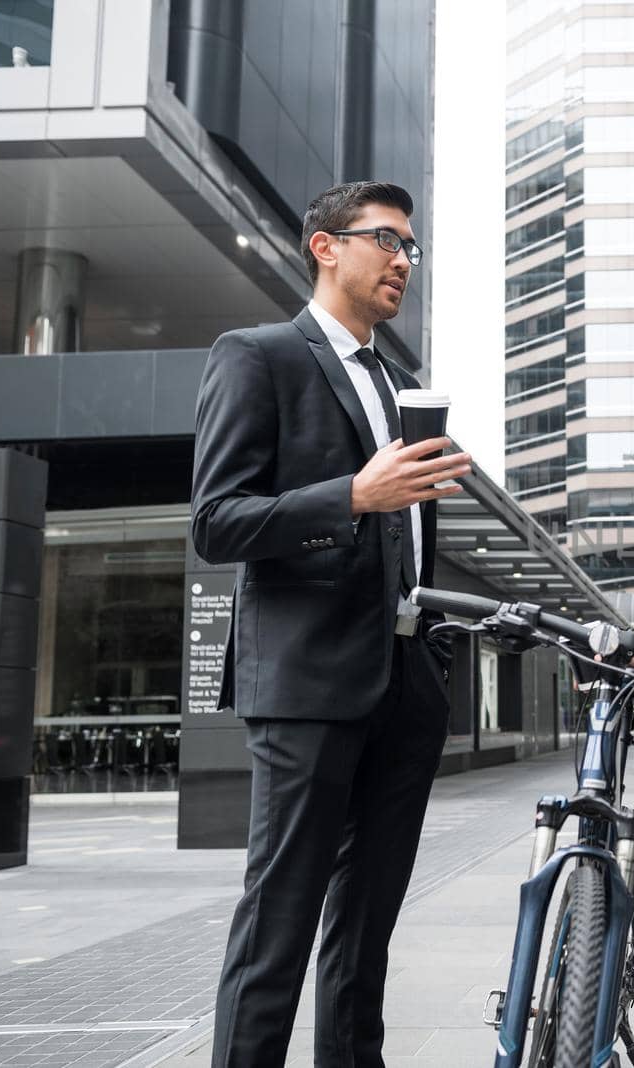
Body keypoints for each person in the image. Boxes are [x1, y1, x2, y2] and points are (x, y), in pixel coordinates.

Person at [191, 180, 473, 1066]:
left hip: (403, 684)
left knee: (365, 937)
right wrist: (353, 495)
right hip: (308, 683)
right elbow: (216, 521)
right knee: (277, 929)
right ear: (325, 246)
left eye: (409, 250)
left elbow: (404, 537)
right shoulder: (258, 355)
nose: (402, 263)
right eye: (386, 241)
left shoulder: (395, 386)